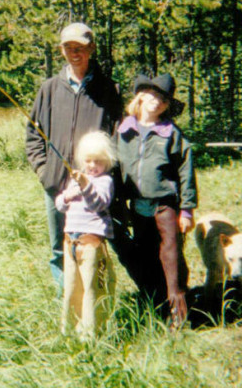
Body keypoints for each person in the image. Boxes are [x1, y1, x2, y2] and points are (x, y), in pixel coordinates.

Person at [25, 22, 122, 291]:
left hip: (94, 186)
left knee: (95, 246)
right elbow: (33, 135)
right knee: (59, 249)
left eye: (80, 47)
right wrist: (44, 172)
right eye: (69, 47)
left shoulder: (108, 90)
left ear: (91, 49)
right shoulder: (49, 89)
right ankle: (67, 305)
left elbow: (117, 138)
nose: (74, 53)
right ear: (61, 50)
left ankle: (95, 304)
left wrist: (104, 177)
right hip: (57, 185)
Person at [115, 73, 197, 329]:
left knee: (171, 256)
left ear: (167, 105)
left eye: (163, 98)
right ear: (141, 96)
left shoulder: (171, 133)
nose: (156, 101)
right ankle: (154, 303)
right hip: (137, 206)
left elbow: (186, 171)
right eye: (152, 94)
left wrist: (186, 209)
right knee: (146, 254)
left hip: (165, 205)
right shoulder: (124, 130)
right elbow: (115, 167)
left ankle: (178, 313)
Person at [55, 131, 116, 340]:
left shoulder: (104, 181)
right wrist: (67, 196)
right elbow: (60, 206)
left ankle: (92, 333)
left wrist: (85, 185)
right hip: (71, 240)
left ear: (106, 161)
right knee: (72, 287)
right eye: (88, 161)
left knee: (92, 287)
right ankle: (70, 329)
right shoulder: (76, 180)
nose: (92, 166)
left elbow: (98, 203)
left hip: (91, 243)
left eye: (97, 161)